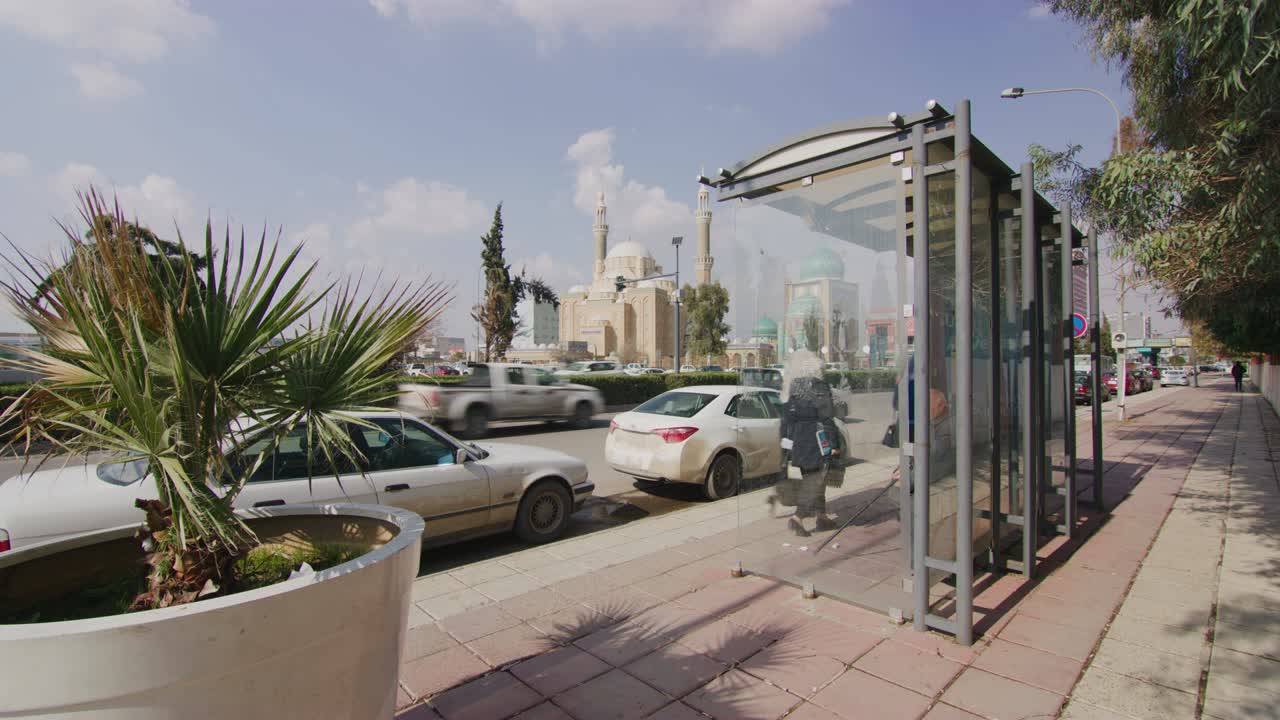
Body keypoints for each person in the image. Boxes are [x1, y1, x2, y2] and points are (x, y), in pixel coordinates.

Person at [777, 351, 842, 537]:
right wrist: (835, 444)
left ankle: (821, 516)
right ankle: (797, 518)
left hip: (799, 439)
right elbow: (827, 418)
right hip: (817, 440)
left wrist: (786, 446)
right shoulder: (820, 387)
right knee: (815, 481)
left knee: (813, 478)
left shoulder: (794, 387)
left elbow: (786, 419)